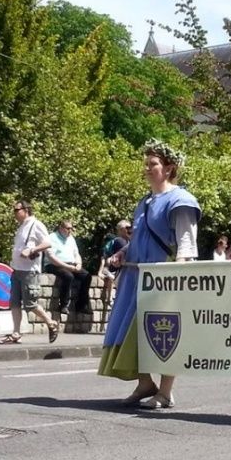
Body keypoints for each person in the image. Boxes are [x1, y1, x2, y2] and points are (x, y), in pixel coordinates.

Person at [98, 139, 201, 409]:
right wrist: (124, 253)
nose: (147, 168)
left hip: (164, 277)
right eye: (146, 164)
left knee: (165, 334)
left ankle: (165, 392)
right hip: (137, 277)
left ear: (168, 169)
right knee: (130, 330)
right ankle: (145, 384)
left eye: (153, 164)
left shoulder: (180, 200)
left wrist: (179, 271)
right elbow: (141, 237)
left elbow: (187, 241)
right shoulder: (144, 202)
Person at [0, 199, 58, 345]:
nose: (14, 213)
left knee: (30, 304)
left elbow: (48, 243)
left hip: (29, 271)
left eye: (16, 210)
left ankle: (51, 323)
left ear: (26, 210)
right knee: (14, 303)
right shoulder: (22, 227)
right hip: (17, 269)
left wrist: (32, 249)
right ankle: (16, 333)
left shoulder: (36, 224)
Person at [45, 220, 93, 315]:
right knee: (68, 276)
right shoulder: (51, 237)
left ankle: (81, 305)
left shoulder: (71, 238)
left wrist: (79, 263)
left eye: (71, 228)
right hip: (54, 264)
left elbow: (76, 253)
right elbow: (51, 257)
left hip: (71, 264)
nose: (70, 230)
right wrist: (67, 266)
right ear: (61, 228)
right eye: (68, 228)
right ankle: (63, 305)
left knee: (86, 276)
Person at [97, 220, 132, 305]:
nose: (129, 230)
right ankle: (110, 299)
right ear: (120, 230)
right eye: (126, 228)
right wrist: (100, 271)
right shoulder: (118, 241)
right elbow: (105, 256)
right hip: (112, 269)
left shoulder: (128, 242)